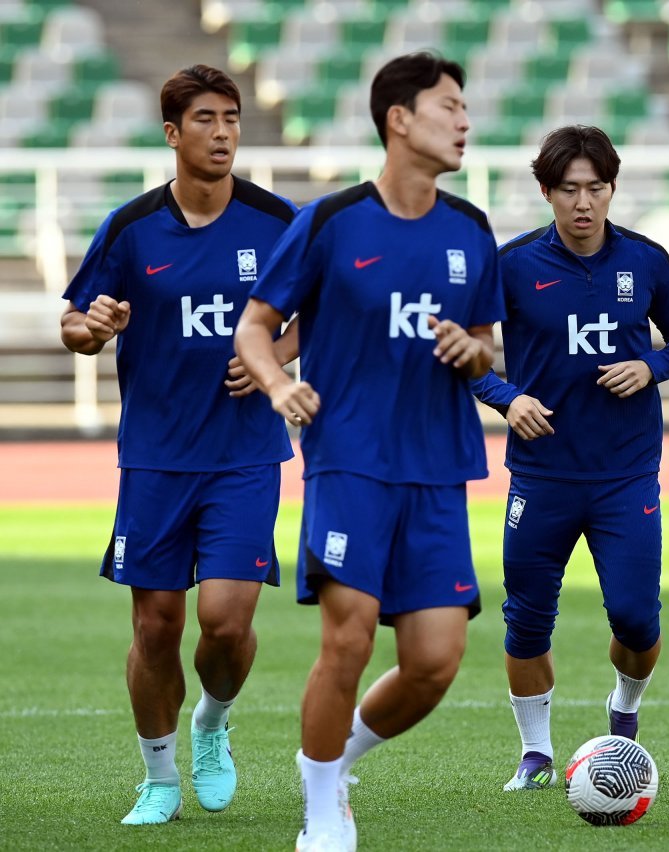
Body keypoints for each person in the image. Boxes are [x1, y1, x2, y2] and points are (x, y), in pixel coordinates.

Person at [234, 51, 503, 851]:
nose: (464, 121)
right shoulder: (328, 222)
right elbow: (255, 327)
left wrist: (474, 351)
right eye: (449, 106)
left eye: (465, 107)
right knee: (347, 637)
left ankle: (335, 757)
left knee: (434, 662)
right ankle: (322, 814)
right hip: (348, 460)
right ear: (399, 119)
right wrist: (280, 387)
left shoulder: (472, 230)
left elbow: (490, 344)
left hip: (439, 468)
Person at [59, 65, 297, 825]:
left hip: (244, 456)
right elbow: (73, 323)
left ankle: (212, 724)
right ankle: (159, 780)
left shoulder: (277, 221)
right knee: (156, 625)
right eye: (205, 119)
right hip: (156, 458)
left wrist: (275, 358)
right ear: (172, 133)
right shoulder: (131, 229)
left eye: (231, 117)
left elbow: (326, 309)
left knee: (226, 624)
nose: (223, 132)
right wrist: (92, 329)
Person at [471, 125, 669, 791]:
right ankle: (536, 755)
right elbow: (470, 358)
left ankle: (622, 714)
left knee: (635, 616)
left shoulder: (648, 261)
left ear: (611, 189)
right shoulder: (511, 265)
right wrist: (507, 398)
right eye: (568, 189)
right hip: (540, 475)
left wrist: (651, 366)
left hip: (625, 472)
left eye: (595, 188)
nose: (583, 202)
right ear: (546, 191)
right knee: (527, 616)